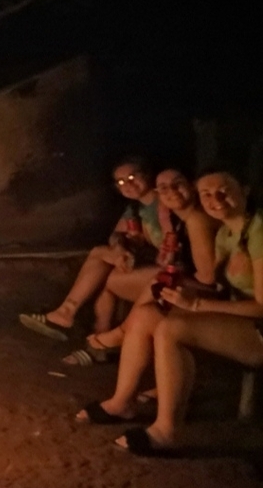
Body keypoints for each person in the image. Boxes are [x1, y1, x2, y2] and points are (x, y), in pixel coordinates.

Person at [99, 169, 263, 455]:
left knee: (173, 328)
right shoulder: (226, 232)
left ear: (245, 190)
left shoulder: (259, 230)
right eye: (207, 194)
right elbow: (214, 282)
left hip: (257, 328)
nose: (216, 199)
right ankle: (121, 403)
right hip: (241, 320)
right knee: (148, 314)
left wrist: (198, 305)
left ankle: (166, 430)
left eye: (223, 190)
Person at [62, 168, 217, 366]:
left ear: (191, 185)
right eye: (164, 188)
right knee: (106, 263)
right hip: (182, 278)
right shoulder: (157, 214)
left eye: (177, 184)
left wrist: (173, 266)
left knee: (150, 281)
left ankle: (111, 338)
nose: (172, 191)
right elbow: (117, 234)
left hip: (207, 294)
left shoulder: (194, 219)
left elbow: (208, 277)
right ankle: (98, 335)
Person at [19, 157, 166, 341]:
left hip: (172, 271)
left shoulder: (164, 200)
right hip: (153, 263)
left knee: (106, 278)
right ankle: (78, 324)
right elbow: (116, 235)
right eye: (121, 182)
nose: (128, 184)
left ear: (147, 175)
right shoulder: (136, 208)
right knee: (101, 253)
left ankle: (93, 335)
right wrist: (119, 249)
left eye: (132, 177)